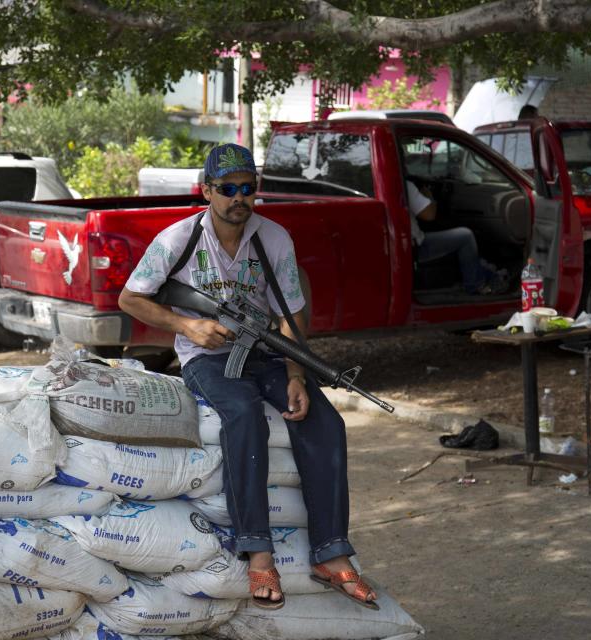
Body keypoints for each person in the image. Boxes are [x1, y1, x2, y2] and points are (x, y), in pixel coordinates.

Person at [118, 143, 378, 611]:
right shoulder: (178, 240)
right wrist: (188, 325)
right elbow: (130, 298)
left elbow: (291, 315)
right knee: (242, 416)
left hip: (270, 353)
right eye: (228, 188)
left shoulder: (273, 238)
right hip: (207, 357)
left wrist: (298, 374)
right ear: (207, 191)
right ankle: (258, 550)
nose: (240, 197)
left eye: (248, 188)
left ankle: (331, 552)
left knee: (324, 421)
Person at [406, 180, 508, 294]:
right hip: (417, 246)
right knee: (466, 236)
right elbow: (430, 214)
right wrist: (428, 195)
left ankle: (483, 271)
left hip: (408, 244)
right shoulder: (406, 186)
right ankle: (476, 285)